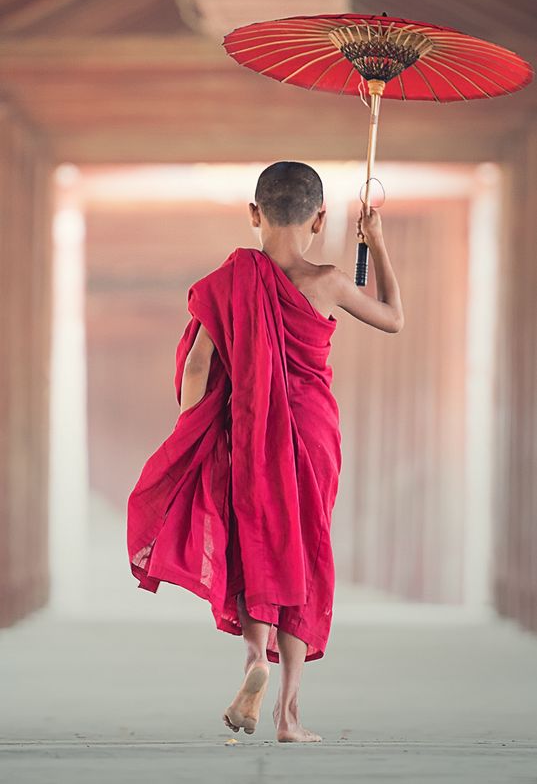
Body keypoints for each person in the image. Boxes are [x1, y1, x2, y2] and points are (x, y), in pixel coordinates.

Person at [127, 161, 403, 743]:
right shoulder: (328, 280)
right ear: (321, 217)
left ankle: (254, 659)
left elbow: (200, 362)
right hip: (313, 433)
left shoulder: (230, 279)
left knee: (256, 540)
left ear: (254, 214)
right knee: (303, 549)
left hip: (248, 429)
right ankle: (289, 715)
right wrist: (376, 243)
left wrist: (191, 429)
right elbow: (393, 318)